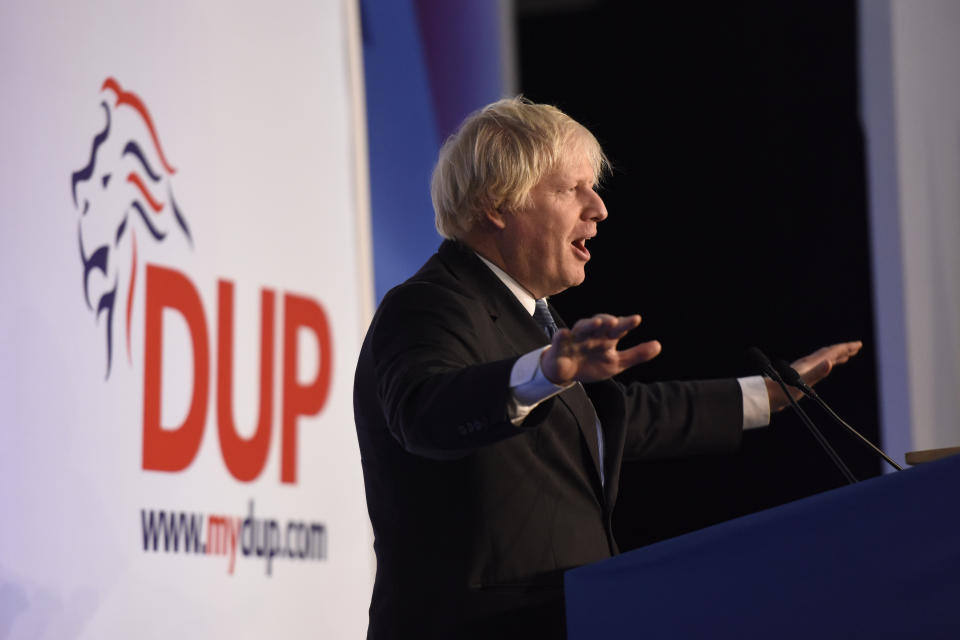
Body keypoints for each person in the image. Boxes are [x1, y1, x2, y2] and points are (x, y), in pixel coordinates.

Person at [353, 97, 861, 639]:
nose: (598, 208)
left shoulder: (533, 324)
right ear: (499, 203)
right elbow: (424, 411)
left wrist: (767, 395)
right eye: (572, 189)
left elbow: (616, 418)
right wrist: (544, 373)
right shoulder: (430, 304)